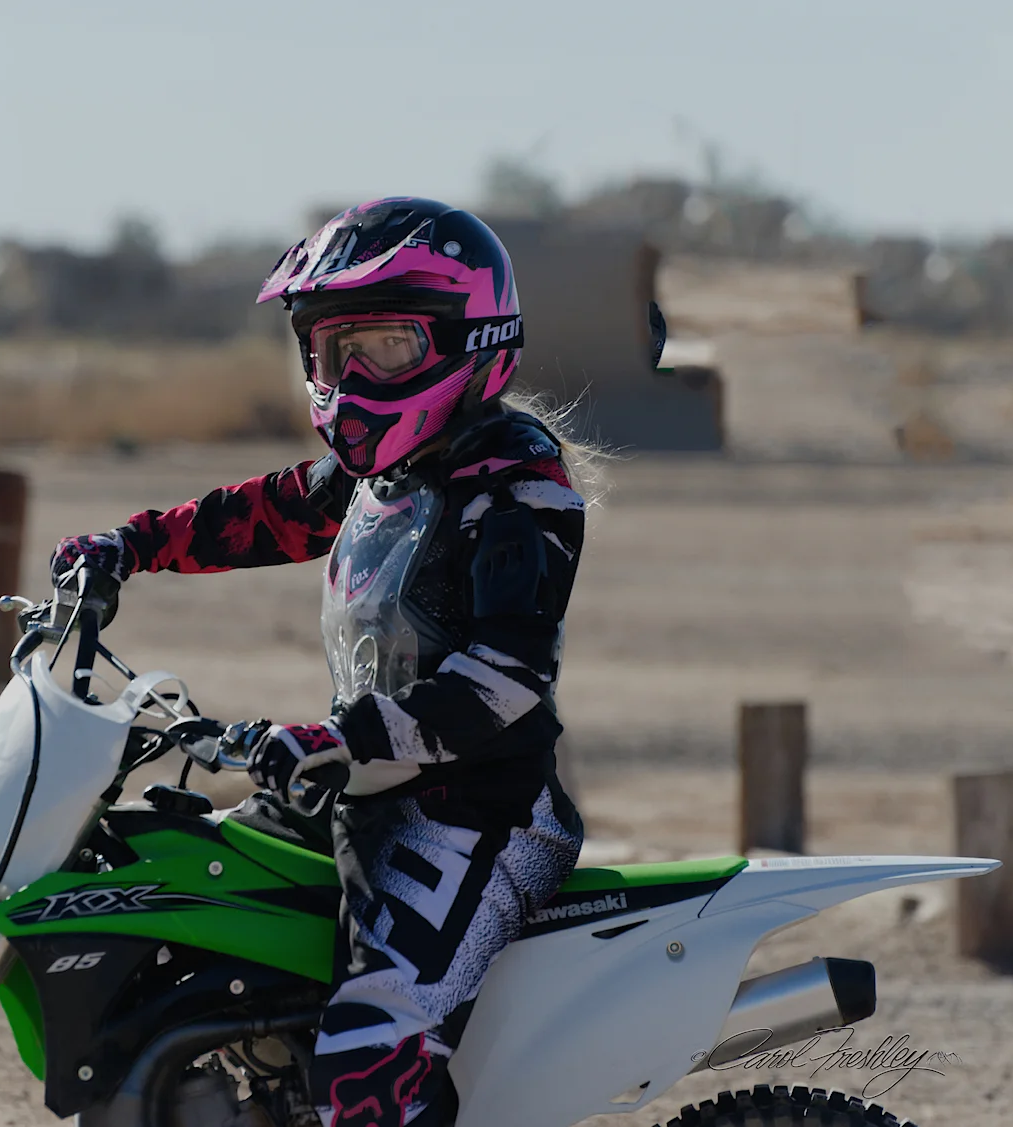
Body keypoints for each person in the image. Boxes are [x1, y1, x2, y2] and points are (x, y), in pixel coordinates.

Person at [51, 198, 616, 1127]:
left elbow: (506, 680)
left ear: (470, 338)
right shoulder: (382, 473)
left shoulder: (517, 486)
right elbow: (263, 512)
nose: (353, 378)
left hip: (476, 814)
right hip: (357, 784)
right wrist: (130, 544)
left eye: (386, 347)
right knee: (167, 896)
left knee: (367, 1060)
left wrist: (336, 737)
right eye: (332, 349)